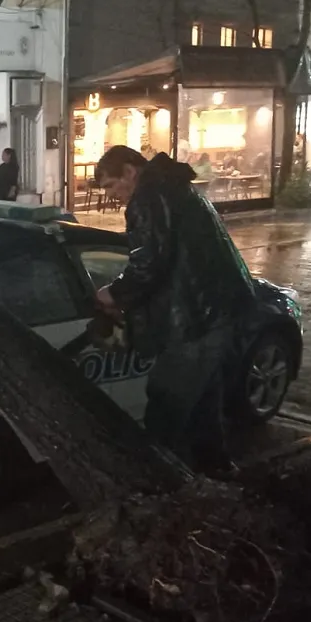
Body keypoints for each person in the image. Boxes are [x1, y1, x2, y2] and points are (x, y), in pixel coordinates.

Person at [93, 145, 256, 474]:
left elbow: (149, 262)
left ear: (129, 171)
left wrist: (113, 293)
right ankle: (218, 471)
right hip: (220, 309)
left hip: (198, 317)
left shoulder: (148, 198)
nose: (113, 195)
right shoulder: (177, 187)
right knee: (203, 402)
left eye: (112, 185)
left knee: (167, 403)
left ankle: (157, 483)